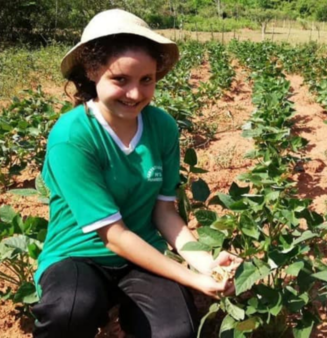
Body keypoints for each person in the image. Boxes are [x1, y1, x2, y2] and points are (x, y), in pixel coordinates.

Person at [32, 9, 240, 338]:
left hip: (142, 255)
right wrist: (192, 279)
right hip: (77, 257)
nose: (135, 94)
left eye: (147, 80)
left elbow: (165, 213)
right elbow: (113, 235)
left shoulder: (162, 127)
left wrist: (207, 265)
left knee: (176, 331)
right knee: (69, 312)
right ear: (92, 71)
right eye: (120, 80)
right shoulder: (73, 136)